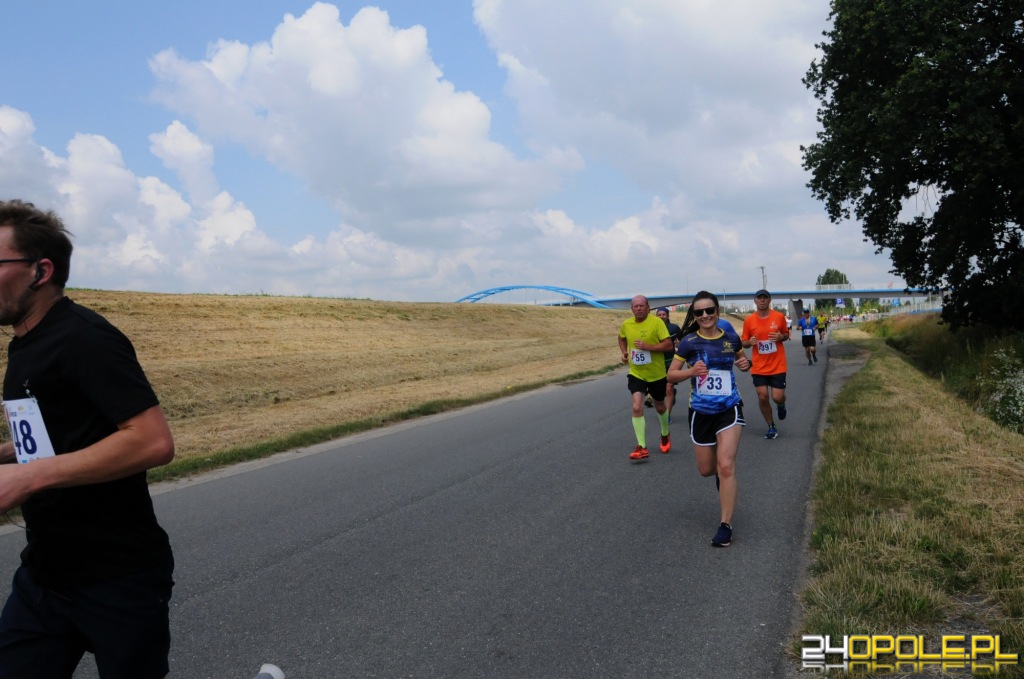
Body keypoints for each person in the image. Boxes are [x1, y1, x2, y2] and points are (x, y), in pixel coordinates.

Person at [0, 200, 176, 679]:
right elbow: (58, 433)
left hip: (118, 576)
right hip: (44, 575)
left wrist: (27, 478)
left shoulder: (85, 337)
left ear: (40, 271)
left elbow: (151, 442)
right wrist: (8, 455)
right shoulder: (25, 343)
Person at [667, 291, 750, 547]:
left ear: (717, 311)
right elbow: (671, 375)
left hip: (729, 407)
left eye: (709, 310)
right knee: (706, 469)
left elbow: (741, 359)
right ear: (694, 315)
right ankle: (721, 479)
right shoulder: (689, 342)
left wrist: (744, 364)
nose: (705, 315)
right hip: (701, 411)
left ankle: (725, 525)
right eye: (699, 312)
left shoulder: (731, 338)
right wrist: (691, 372)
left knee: (726, 465)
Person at [618, 295, 674, 460]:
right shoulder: (627, 324)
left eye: (642, 306)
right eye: (635, 306)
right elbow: (621, 337)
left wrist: (648, 347)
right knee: (637, 406)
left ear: (648, 307)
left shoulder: (657, 323)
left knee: (660, 406)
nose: (639, 309)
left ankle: (665, 433)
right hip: (637, 373)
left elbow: (668, 345)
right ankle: (642, 446)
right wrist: (624, 352)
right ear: (631, 309)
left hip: (657, 374)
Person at [740, 289, 790, 440]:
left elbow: (786, 334)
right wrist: (749, 342)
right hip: (759, 366)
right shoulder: (749, 320)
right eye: (759, 298)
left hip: (777, 365)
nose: (762, 300)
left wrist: (781, 336)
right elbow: (744, 342)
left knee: (777, 397)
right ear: (755, 301)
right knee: (763, 396)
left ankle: (781, 405)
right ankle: (771, 426)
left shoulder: (779, 316)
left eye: (765, 298)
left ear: (769, 300)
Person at [653, 307, 681, 422]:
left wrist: (679, 344)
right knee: (658, 389)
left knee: (669, 388)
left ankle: (666, 416)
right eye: (659, 315)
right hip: (656, 363)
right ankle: (671, 394)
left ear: (668, 316)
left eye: (663, 314)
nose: (661, 317)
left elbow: (682, 341)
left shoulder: (674, 328)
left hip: (671, 362)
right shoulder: (652, 328)